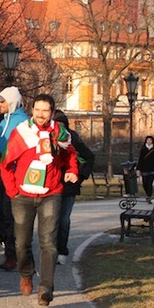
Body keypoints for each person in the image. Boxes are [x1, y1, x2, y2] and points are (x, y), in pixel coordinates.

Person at [1, 94, 78, 307]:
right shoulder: (22, 133)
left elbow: (71, 155)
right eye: (37, 110)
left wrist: (72, 171)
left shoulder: (60, 133)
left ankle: (46, 287)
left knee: (48, 242)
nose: (41, 114)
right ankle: (26, 273)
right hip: (23, 195)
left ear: (52, 113)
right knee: (21, 243)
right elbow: (5, 163)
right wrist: (12, 191)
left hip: (51, 193)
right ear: (32, 110)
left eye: (45, 111)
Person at [52, 110, 94, 264]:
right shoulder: (48, 137)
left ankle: (62, 250)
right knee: (50, 220)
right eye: (57, 125)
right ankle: (51, 250)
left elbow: (89, 157)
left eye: (62, 125)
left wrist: (81, 177)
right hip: (51, 185)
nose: (60, 128)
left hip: (69, 187)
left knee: (63, 220)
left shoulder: (73, 138)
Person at [0, 86, 28, 272]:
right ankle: (9, 248)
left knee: (11, 217)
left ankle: (13, 256)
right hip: (1, 174)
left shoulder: (23, 122)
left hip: (15, 177)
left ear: (12, 102)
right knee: (0, 213)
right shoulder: (3, 122)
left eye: (2, 101)